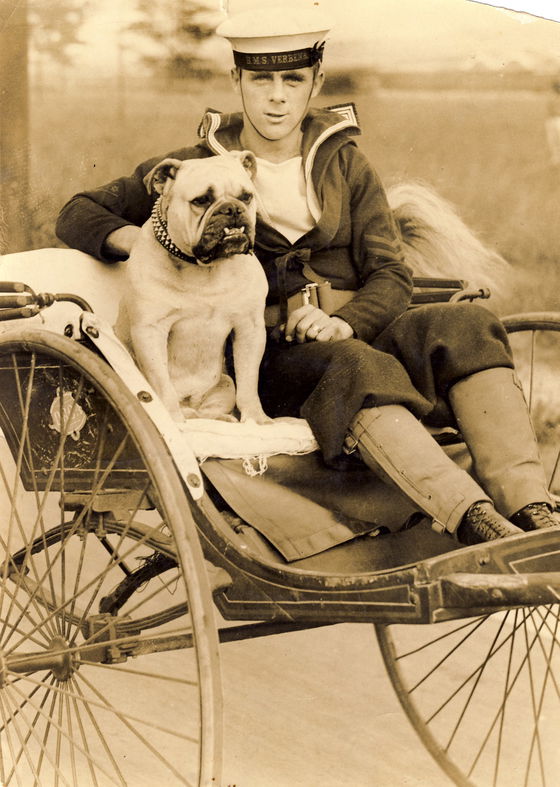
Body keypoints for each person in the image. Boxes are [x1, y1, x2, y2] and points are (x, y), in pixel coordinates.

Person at [56, 4, 558, 547]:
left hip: (348, 334)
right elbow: (78, 212)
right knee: (352, 364)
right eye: (261, 78)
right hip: (269, 353)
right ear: (237, 81)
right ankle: (471, 517)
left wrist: (350, 321)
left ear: (315, 81)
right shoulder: (198, 166)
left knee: (467, 325)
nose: (277, 96)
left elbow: (390, 272)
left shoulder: (343, 162)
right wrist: (143, 239)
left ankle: (531, 508)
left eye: (292, 79)